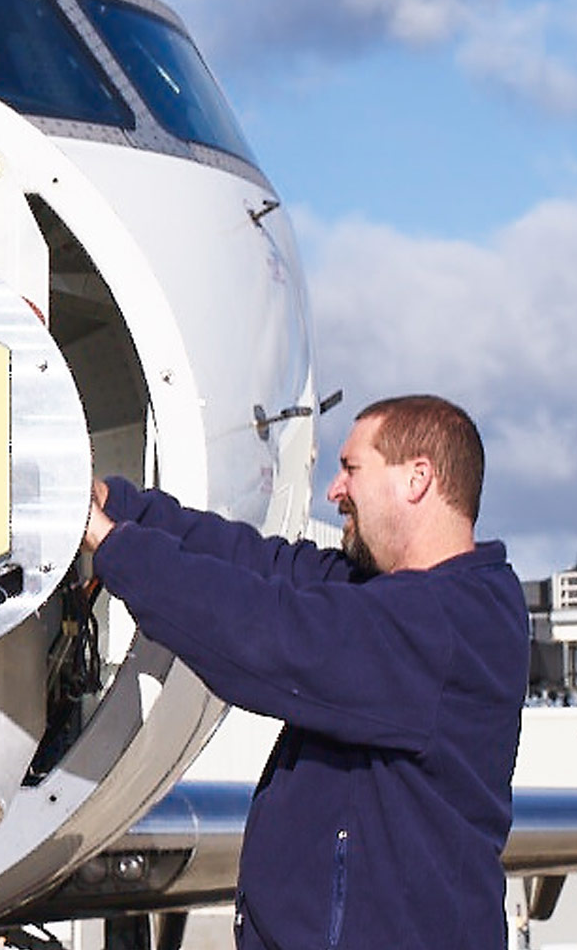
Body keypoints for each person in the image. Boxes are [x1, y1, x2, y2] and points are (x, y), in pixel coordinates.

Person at [82, 394, 528, 949]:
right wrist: (121, 506)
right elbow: (263, 567)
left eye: (351, 468)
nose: (335, 490)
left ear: (417, 479)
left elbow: (269, 632)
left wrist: (114, 545)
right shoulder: (393, 598)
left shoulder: (446, 625)